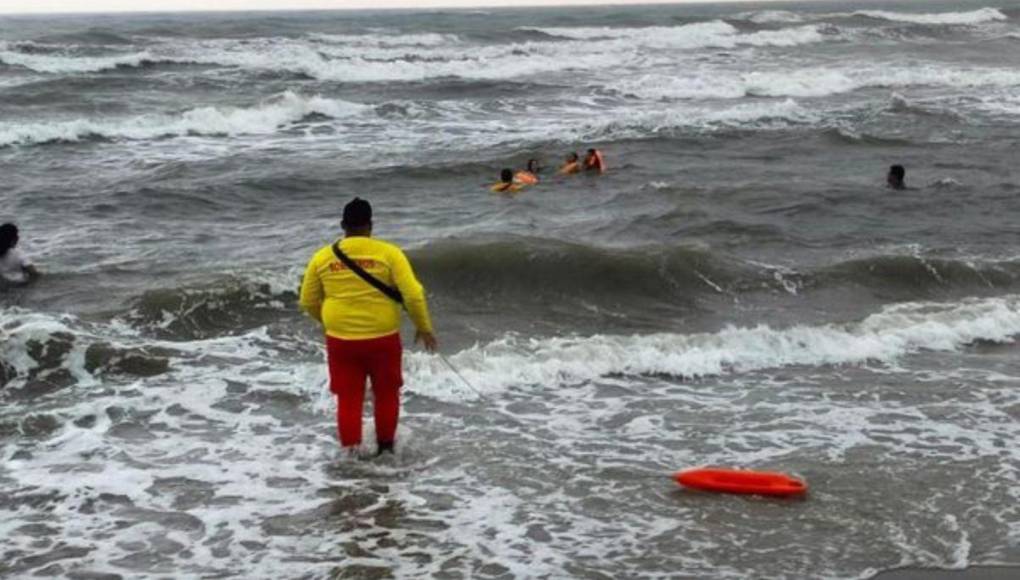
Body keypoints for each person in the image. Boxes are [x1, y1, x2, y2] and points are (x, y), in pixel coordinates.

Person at [299, 198, 437, 456]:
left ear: (342, 225)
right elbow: (414, 294)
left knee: (348, 398)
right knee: (386, 393)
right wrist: (423, 327)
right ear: (370, 225)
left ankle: (350, 456)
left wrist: (329, 321)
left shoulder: (322, 257)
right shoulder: (389, 253)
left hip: (341, 341)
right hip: (382, 338)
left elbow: (307, 301)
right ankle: (386, 450)